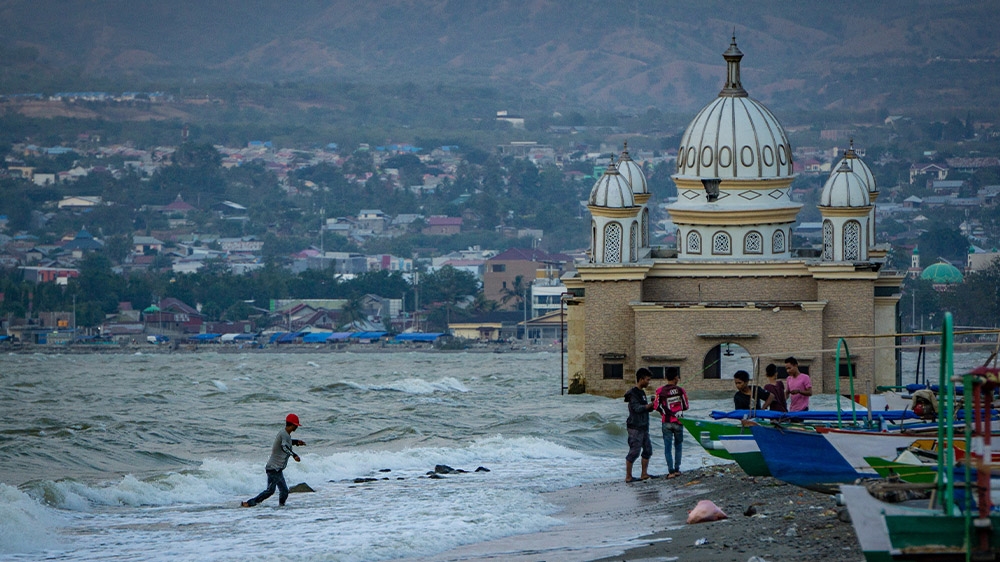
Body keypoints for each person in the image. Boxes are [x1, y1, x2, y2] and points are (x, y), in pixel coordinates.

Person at [242, 413, 306, 507]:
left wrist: (296, 442)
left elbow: (287, 442)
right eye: (296, 425)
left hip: (276, 469)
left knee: (281, 491)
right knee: (272, 491)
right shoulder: (283, 434)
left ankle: (281, 507)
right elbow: (284, 446)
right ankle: (249, 503)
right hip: (273, 468)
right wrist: (294, 455)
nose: (297, 427)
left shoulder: (286, 435)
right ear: (292, 425)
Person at [654, 370, 689, 478]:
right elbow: (686, 406)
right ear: (675, 378)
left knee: (667, 447)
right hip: (678, 422)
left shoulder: (660, 391)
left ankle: (671, 472)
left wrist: (663, 412)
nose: (678, 379)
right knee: (678, 446)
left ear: (666, 378)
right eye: (677, 377)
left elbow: (656, 406)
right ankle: (677, 469)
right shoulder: (681, 390)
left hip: (666, 422)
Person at [624, 368, 657, 483]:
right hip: (635, 427)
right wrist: (649, 405)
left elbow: (645, 409)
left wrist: (652, 405)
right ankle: (628, 476)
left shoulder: (642, 393)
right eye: (647, 380)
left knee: (648, 450)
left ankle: (644, 474)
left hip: (643, 426)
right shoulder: (633, 393)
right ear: (641, 379)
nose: (648, 382)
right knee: (634, 452)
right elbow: (637, 408)